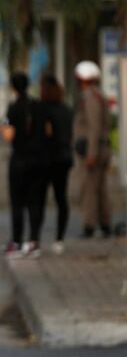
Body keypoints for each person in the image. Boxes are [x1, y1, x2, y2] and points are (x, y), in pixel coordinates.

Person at [0, 72, 48, 258]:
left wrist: (2, 126)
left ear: (13, 87)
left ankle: (17, 242)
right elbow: (47, 131)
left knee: (17, 203)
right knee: (36, 201)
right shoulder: (39, 106)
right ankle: (34, 241)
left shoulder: (13, 107)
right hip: (39, 160)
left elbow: (8, 135)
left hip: (19, 160)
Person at [73, 61, 112, 238]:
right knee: (101, 188)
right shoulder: (99, 96)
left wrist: (91, 153)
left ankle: (90, 225)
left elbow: (94, 127)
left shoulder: (91, 99)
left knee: (90, 189)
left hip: (94, 150)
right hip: (101, 148)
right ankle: (105, 224)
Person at [39, 74, 74, 254]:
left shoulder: (42, 109)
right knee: (61, 199)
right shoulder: (67, 109)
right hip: (64, 159)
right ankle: (59, 239)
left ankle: (34, 238)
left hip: (47, 160)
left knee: (39, 199)